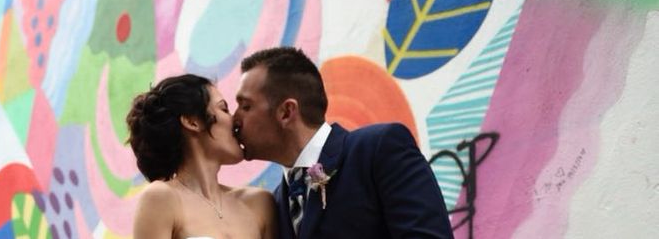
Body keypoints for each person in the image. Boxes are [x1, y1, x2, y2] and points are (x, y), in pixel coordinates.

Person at [233, 47, 453, 239]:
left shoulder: (378, 149)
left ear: (286, 112)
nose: (235, 120)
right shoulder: (275, 204)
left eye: (245, 106)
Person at [127, 74, 278, 239]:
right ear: (192, 122)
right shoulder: (161, 198)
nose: (235, 120)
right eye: (224, 109)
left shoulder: (260, 203)